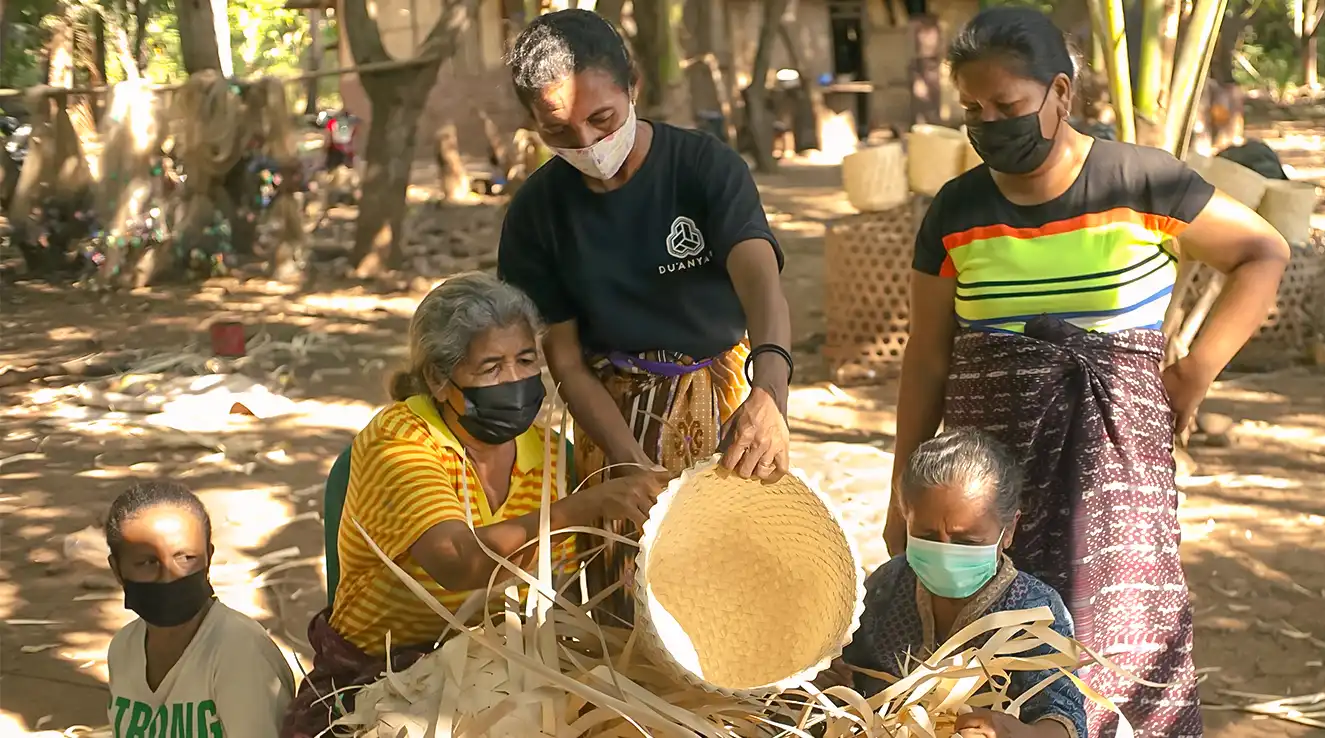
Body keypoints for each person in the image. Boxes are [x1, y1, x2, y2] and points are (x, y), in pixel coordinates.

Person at [885, 7, 1290, 738]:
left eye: (1008, 106)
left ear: (1062, 94)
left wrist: (1197, 371)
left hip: (1114, 475)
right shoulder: (956, 210)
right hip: (988, 484)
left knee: (1121, 646)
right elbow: (930, 354)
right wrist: (901, 497)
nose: (989, 123)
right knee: (994, 656)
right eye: (973, 110)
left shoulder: (1142, 183)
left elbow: (1263, 252)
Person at [497, 9, 794, 620]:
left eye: (601, 118)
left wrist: (770, 396)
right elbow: (569, 365)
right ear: (533, 125)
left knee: (737, 586)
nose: (587, 144)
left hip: (727, 399)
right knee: (628, 593)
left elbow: (762, 282)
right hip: (612, 414)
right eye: (559, 132)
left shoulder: (705, 169)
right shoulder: (536, 215)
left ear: (632, 85)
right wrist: (628, 462)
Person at [281, 273, 666, 738]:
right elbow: (457, 562)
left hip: (511, 681)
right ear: (439, 381)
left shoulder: (550, 456)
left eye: (526, 360)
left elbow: (560, 598)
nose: (517, 380)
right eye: (491, 368)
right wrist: (579, 509)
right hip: (384, 686)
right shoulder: (401, 439)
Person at [840, 430, 1086, 738]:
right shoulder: (887, 585)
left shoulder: (1035, 611)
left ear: (1008, 531)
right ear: (905, 518)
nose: (945, 553)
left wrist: (1017, 733)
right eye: (927, 537)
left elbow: (1064, 720)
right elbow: (853, 668)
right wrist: (836, 679)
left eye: (967, 541)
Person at [104, 480, 294, 737]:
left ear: (209, 558)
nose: (169, 576)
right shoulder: (123, 649)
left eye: (185, 558)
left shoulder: (240, 653)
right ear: (117, 570)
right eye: (148, 562)